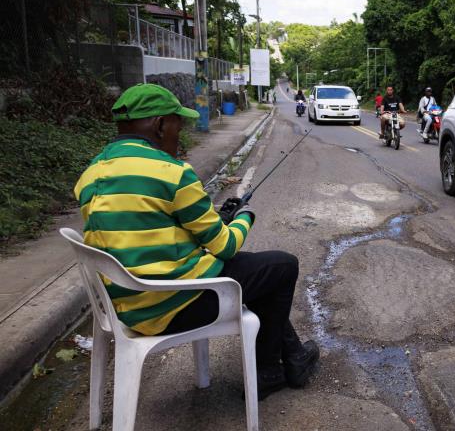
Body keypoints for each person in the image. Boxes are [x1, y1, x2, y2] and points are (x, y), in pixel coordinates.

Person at [73, 84, 319, 401]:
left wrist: (214, 218)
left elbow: (146, 226)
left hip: (127, 308)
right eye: (179, 123)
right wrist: (245, 216)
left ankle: (295, 357)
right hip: (172, 305)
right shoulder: (172, 173)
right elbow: (226, 247)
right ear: (161, 125)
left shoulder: (91, 174)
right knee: (282, 265)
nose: (182, 132)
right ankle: (269, 372)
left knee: (258, 270)